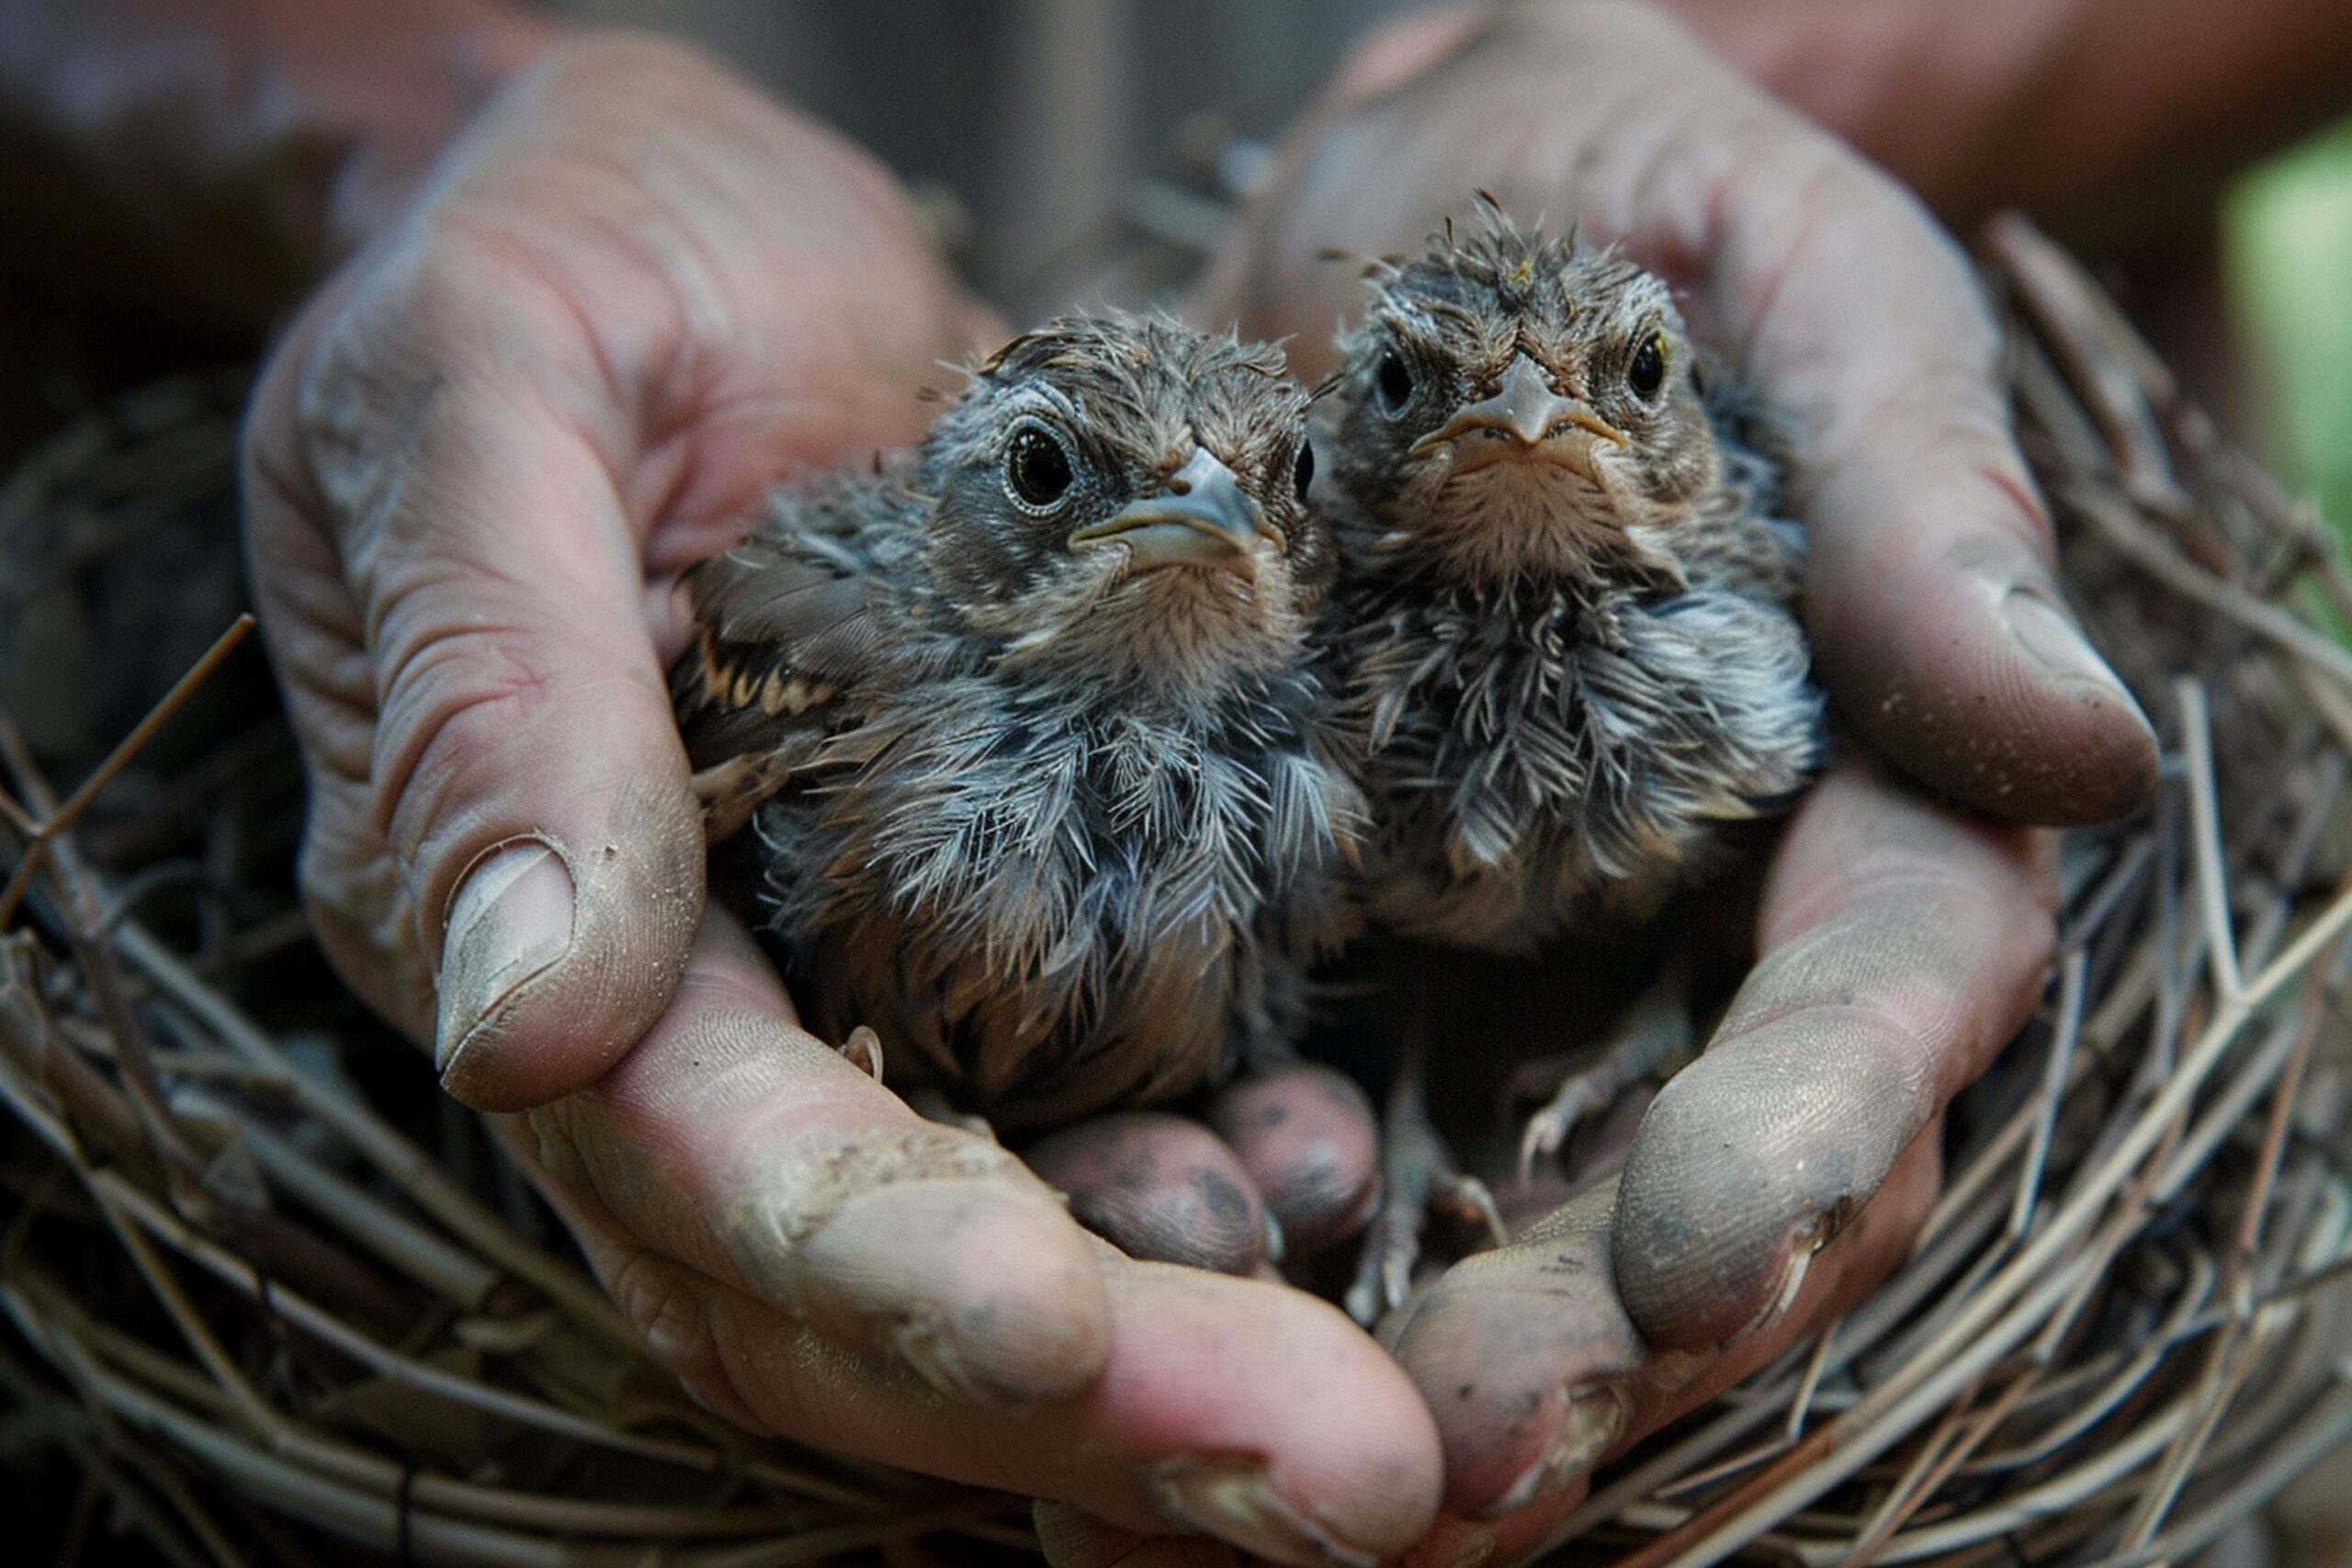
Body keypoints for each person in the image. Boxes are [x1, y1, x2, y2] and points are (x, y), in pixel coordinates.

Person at [8, 3, 2348, 1563]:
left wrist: (1641, 54)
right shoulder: (864, 676)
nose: (1226, 532)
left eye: (1263, 499)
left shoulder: (1334, 720)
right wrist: (455, 138)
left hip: (2029, 1371)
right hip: (321, 740)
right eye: (1065, 489)